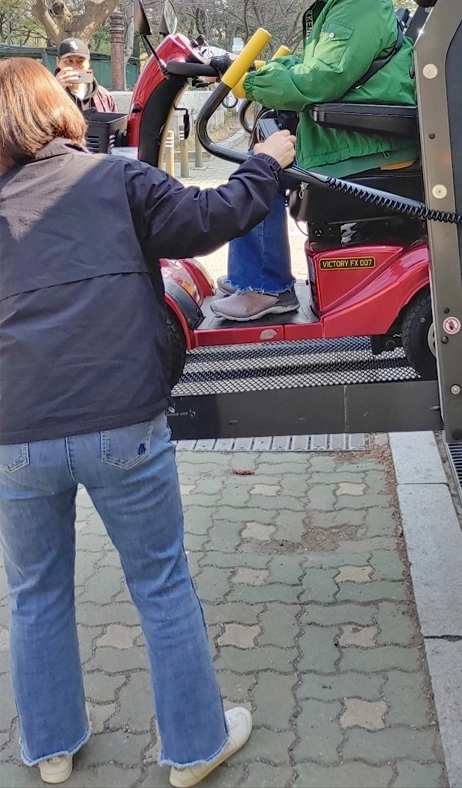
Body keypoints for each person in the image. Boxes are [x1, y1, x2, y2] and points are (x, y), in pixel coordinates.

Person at [0, 58, 295, 787]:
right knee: (160, 583)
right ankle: (194, 750)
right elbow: (211, 218)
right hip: (123, 419)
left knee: (35, 593)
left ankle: (51, 748)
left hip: (15, 434)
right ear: (57, 109)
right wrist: (265, 161)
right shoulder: (114, 180)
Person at [212, 0, 419, 323]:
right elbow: (313, 65)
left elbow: (321, 79)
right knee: (261, 154)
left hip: (368, 142)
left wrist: (252, 81)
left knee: (262, 169)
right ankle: (254, 275)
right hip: (360, 134)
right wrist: (264, 71)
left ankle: (265, 285)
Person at [54, 37, 118, 113]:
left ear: (88, 63)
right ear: (58, 62)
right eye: (69, 61)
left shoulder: (104, 96)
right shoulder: (46, 94)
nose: (75, 67)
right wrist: (55, 91)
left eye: (80, 61)